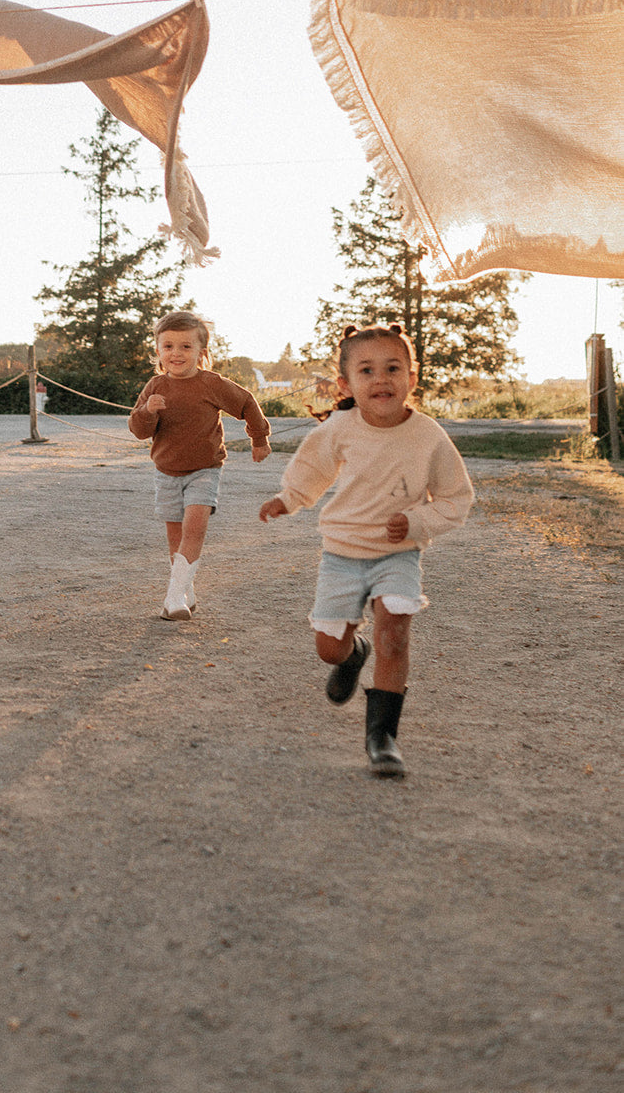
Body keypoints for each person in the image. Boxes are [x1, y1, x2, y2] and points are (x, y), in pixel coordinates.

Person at [260, 323, 473, 777]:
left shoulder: (428, 436)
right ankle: (352, 655)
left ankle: (382, 737)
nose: (381, 379)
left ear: (412, 378)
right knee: (327, 648)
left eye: (393, 368)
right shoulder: (340, 428)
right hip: (342, 552)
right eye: (367, 370)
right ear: (346, 384)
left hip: (399, 554)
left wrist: (418, 521)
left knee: (394, 629)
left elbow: (458, 498)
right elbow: (312, 469)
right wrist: (288, 499)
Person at [129, 310, 271, 620]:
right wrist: (148, 411)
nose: (176, 353)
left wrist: (258, 438)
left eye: (185, 347)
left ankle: (172, 598)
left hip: (205, 470)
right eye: (168, 346)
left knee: (194, 531)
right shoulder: (154, 387)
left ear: (201, 352)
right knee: (175, 538)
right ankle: (186, 592)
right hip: (166, 472)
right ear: (158, 350)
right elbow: (139, 431)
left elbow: (246, 402)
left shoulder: (211, 383)